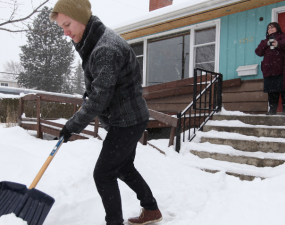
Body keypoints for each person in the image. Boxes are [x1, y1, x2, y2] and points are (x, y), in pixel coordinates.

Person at [49, 0, 163, 224]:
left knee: (103, 174)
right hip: (127, 118)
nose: (65, 32)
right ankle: (151, 210)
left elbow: (100, 98)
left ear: (81, 18)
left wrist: (72, 126)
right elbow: (101, 87)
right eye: (62, 27)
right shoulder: (93, 42)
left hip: (127, 121)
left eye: (67, 24)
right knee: (123, 167)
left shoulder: (105, 49)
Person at [255, 22, 285, 115]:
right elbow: (258, 52)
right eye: (268, 28)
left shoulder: (282, 36)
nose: (270, 29)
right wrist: (267, 44)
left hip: (281, 69)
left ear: (277, 28)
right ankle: (272, 110)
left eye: (272, 27)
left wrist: (277, 44)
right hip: (268, 71)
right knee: (271, 91)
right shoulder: (264, 41)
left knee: (283, 90)